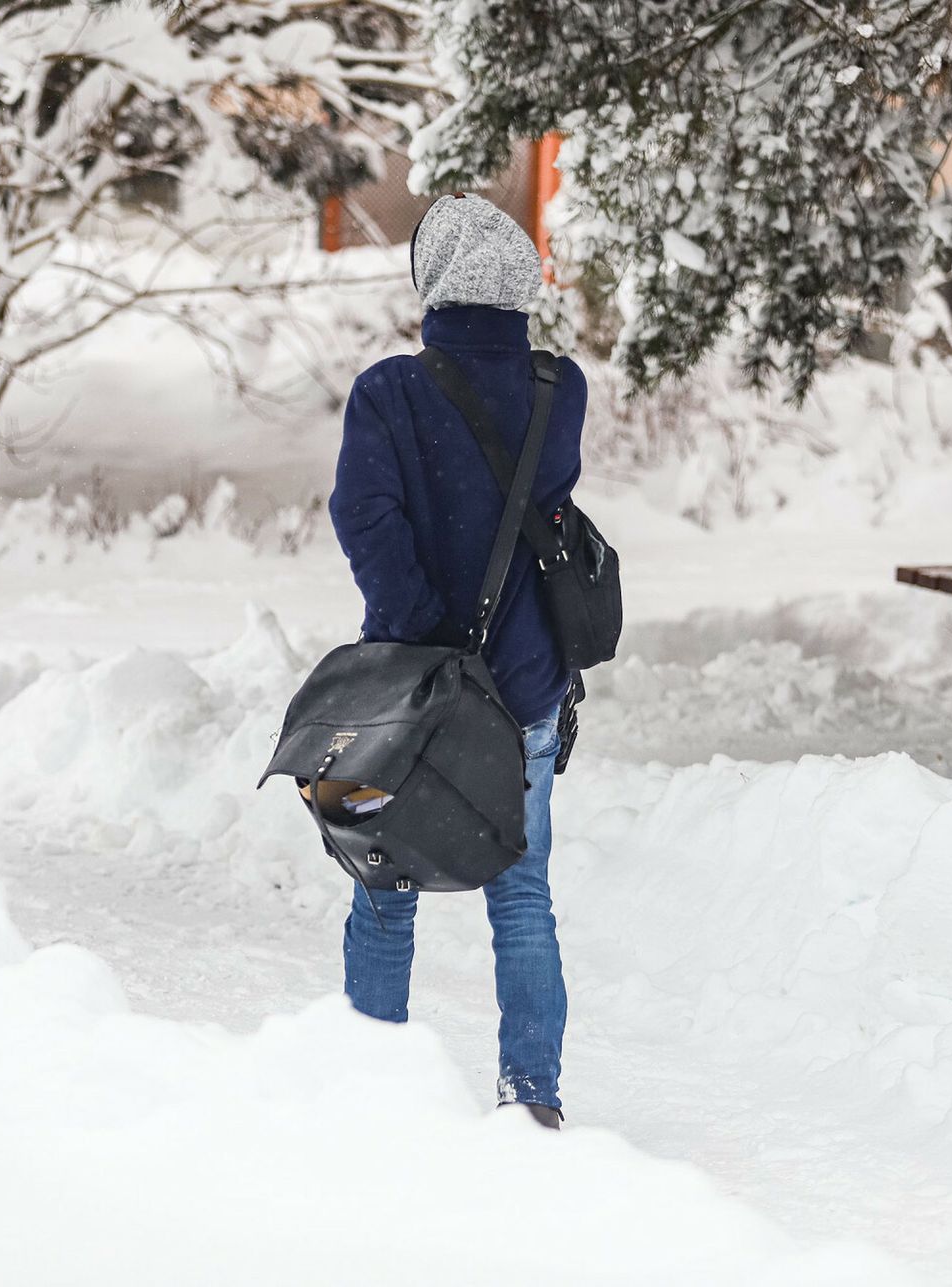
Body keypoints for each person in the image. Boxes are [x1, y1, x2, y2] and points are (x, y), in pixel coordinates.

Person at [326, 194, 588, 1130]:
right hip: (521, 685)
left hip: (407, 691)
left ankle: (372, 1083)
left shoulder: (389, 393)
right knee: (522, 894)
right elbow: (535, 521)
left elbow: (364, 516)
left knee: (386, 886)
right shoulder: (560, 391)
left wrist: (419, 627)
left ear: (432, 281)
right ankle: (533, 1098)